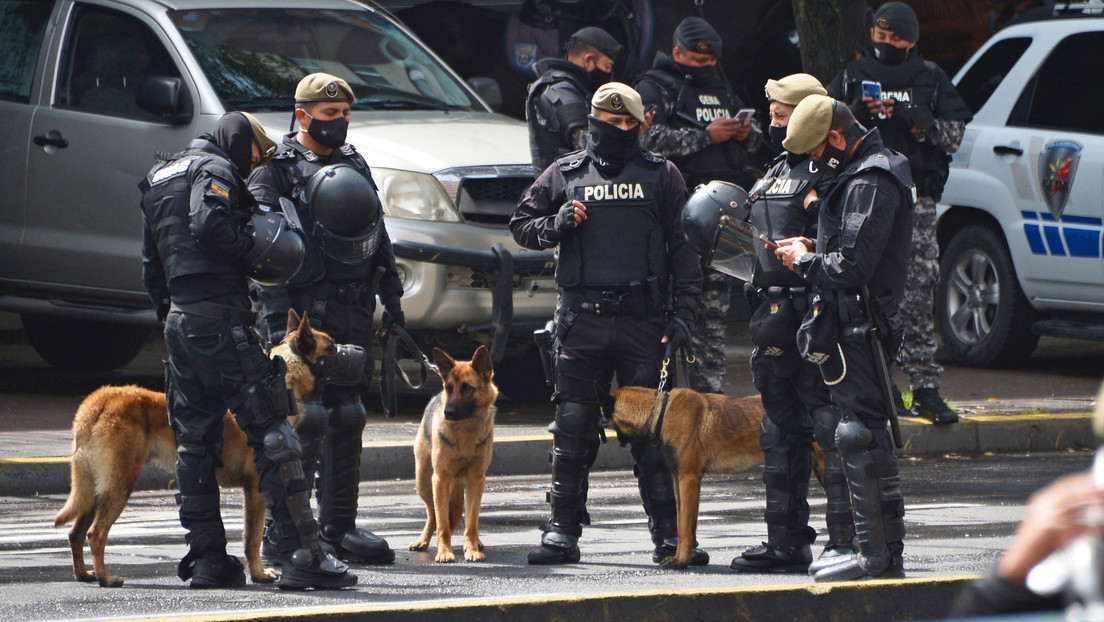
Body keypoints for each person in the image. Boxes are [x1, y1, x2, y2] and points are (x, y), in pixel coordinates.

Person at [139, 111, 355, 590]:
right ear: (238, 140)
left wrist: (176, 321)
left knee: (194, 444)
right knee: (275, 428)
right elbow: (212, 226)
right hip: (222, 322)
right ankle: (304, 555)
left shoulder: (158, 177)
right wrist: (250, 250)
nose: (252, 164)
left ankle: (209, 562)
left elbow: (152, 267)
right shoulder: (213, 169)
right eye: (255, 153)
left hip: (180, 325)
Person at [510, 82, 705, 566]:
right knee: (573, 425)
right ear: (592, 119)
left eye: (625, 124)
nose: (616, 130)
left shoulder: (663, 175)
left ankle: (669, 538)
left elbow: (685, 251)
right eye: (607, 121)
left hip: (645, 321)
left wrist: (684, 315)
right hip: (583, 321)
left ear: (640, 125)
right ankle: (561, 532)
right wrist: (555, 224)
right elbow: (521, 225)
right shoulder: (564, 172)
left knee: (652, 433)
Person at [248, 73, 402, 565]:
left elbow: (376, 230)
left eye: (345, 114)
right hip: (304, 315)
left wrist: (391, 294)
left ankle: (340, 528)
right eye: (329, 114)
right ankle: (290, 532)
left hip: (354, 305)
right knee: (304, 417)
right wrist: (278, 325)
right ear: (302, 115)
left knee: (349, 414)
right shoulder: (277, 170)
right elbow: (266, 249)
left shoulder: (353, 162)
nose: (340, 122)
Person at [774, 94, 914, 582]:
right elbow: (850, 248)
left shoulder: (871, 178)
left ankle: (876, 556)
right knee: (859, 433)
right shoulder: (860, 174)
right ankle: (872, 551)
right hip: (848, 324)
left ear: (836, 138)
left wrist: (805, 261)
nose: (814, 164)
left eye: (816, 153)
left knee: (862, 436)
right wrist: (815, 244)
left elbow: (854, 265)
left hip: (862, 327)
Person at [730, 74, 855, 574]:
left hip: (815, 313)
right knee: (778, 431)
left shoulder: (832, 169)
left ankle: (845, 541)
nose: (774, 115)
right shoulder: (779, 166)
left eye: (784, 108)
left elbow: (843, 240)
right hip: (772, 313)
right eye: (775, 108)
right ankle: (785, 542)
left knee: (831, 427)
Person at [827, 1, 972, 425]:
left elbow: (954, 136)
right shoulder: (853, 76)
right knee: (866, 292)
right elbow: (820, 129)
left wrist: (915, 119)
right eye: (880, 35)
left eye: (894, 38)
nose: (884, 44)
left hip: (916, 201)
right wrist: (854, 110)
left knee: (918, 292)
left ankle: (925, 387)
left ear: (911, 40)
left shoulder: (931, 78)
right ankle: (879, 385)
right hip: (863, 200)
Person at [634, 16, 761, 396]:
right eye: (698, 61)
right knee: (671, 304)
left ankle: (711, 395)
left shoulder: (721, 87)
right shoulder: (653, 87)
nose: (707, 69)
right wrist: (705, 137)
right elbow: (647, 141)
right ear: (676, 53)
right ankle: (663, 397)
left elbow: (756, 142)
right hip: (676, 213)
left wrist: (743, 132)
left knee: (714, 311)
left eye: (711, 62)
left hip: (721, 216)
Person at [526, 26, 623, 172]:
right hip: (563, 190)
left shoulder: (577, 90)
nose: (608, 74)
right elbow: (589, 144)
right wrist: (630, 136)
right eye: (607, 67)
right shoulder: (559, 91)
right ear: (588, 61)